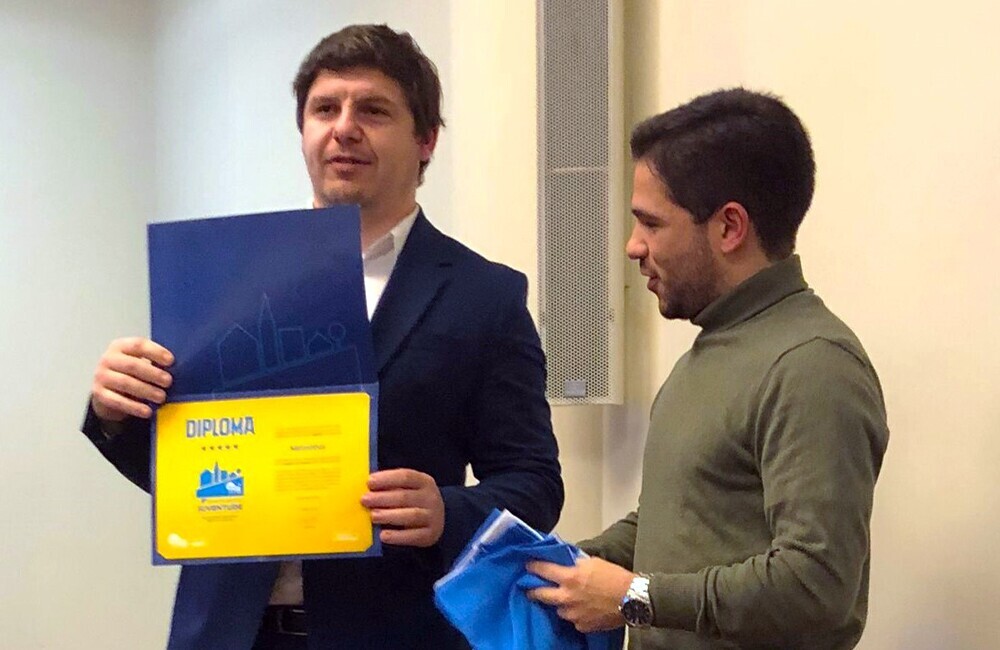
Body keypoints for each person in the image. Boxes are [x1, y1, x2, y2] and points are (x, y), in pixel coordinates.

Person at [83, 24, 563, 650]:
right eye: (325, 109)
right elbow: (198, 471)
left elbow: (534, 482)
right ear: (303, 131)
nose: (344, 128)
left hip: (396, 634)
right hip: (227, 633)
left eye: (374, 110)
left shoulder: (484, 296)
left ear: (426, 140)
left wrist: (448, 511)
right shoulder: (230, 275)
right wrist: (117, 409)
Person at [528, 88, 889, 649]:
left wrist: (633, 598)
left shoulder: (812, 365)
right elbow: (676, 528)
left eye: (651, 224)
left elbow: (816, 586)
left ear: (729, 228)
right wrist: (564, 567)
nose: (632, 246)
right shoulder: (708, 353)